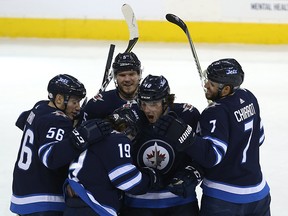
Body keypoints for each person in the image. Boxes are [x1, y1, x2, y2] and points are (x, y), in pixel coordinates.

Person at [153, 59, 271, 215]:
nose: (206, 85)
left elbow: (211, 157)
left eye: (212, 84)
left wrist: (186, 136)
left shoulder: (214, 113)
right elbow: (259, 138)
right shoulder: (249, 97)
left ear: (226, 89)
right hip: (259, 195)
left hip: (225, 199)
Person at [10, 74, 111, 216]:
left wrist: (73, 121)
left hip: (23, 191)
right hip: (44, 198)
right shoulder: (58, 121)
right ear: (59, 99)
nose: (78, 107)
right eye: (74, 102)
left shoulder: (40, 107)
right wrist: (80, 136)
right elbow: (50, 157)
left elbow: (21, 121)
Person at [121, 74, 203, 216]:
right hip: (138, 204)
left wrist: (194, 173)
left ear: (166, 102)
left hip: (180, 203)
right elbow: (113, 156)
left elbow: (204, 154)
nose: (147, 110)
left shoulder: (187, 115)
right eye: (143, 103)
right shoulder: (131, 116)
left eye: (153, 104)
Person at [63, 107, 162, 216]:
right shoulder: (117, 139)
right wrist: (150, 179)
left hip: (73, 204)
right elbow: (126, 180)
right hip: (93, 206)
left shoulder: (91, 133)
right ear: (130, 129)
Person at [84, 52, 142, 120]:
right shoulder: (98, 104)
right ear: (115, 77)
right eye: (122, 75)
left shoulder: (150, 103)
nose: (127, 79)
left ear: (139, 75)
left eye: (131, 74)